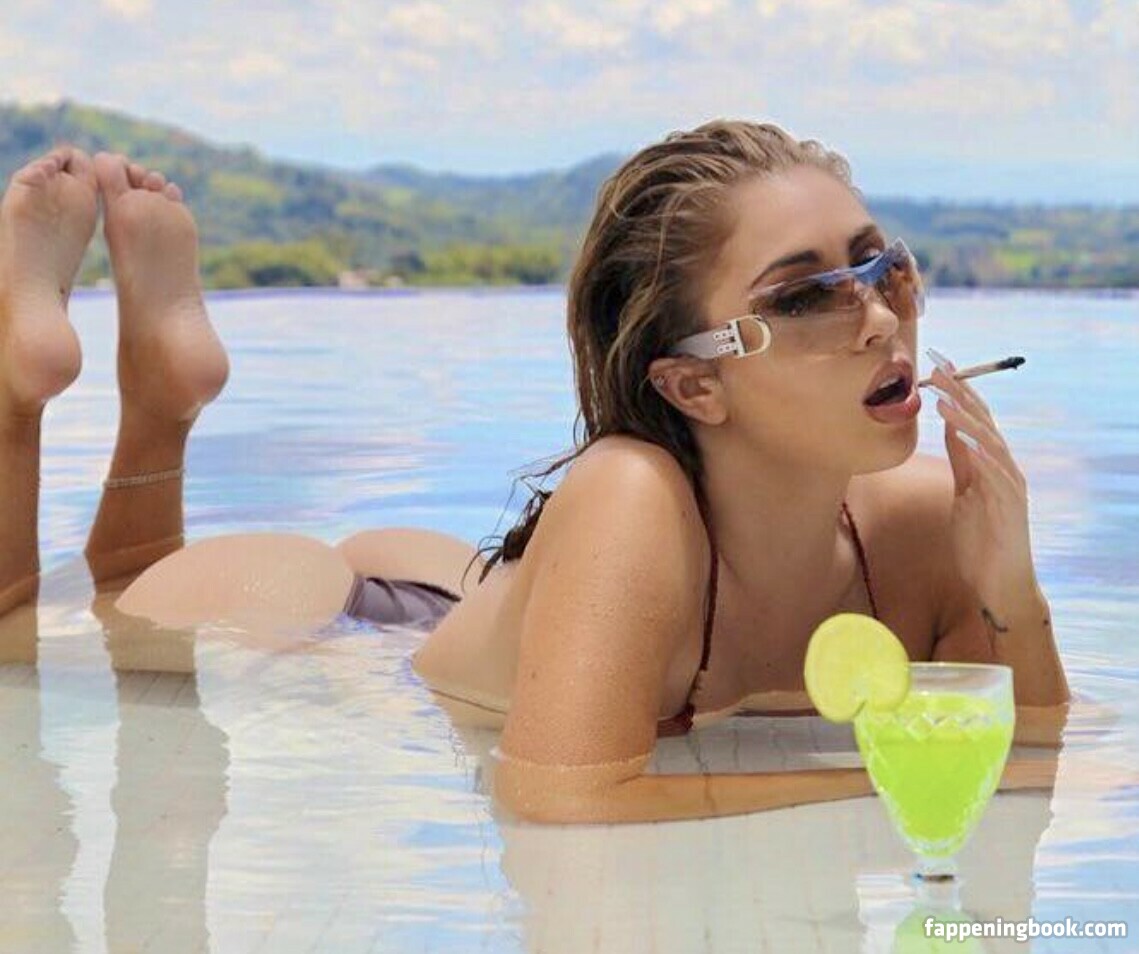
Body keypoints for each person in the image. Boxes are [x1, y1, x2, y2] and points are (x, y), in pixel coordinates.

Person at [0, 123, 1069, 826]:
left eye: (884, 267)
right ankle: (47, 387)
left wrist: (1010, 592)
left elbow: (1028, 751)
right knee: (30, 629)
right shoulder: (629, 491)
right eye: (804, 298)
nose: (879, 317)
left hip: (472, 601)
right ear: (693, 385)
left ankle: (161, 381)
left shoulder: (932, 522)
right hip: (333, 625)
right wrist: (873, 789)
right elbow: (565, 800)